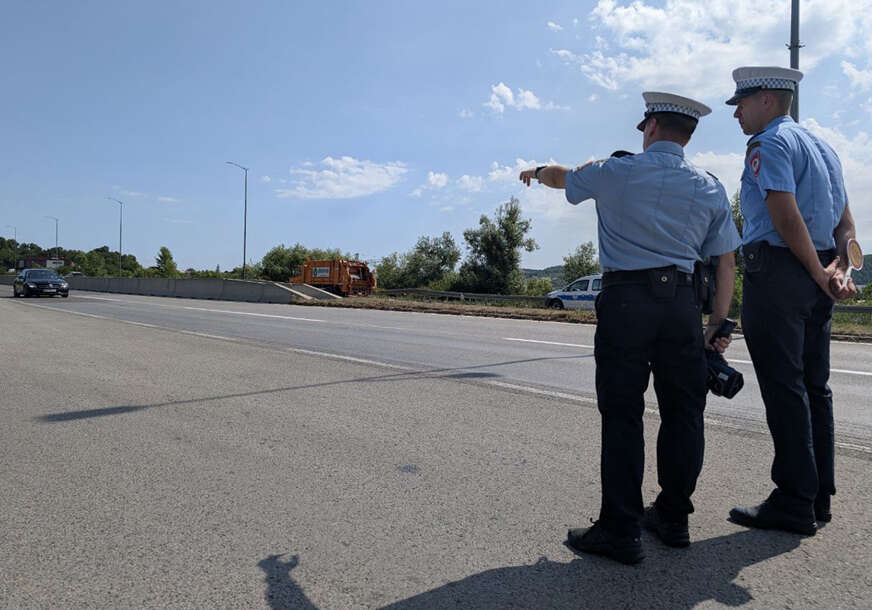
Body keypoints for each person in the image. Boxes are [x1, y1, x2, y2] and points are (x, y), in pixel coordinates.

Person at [520, 92, 742, 564]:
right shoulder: (710, 187)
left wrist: (538, 172)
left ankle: (620, 530)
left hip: (626, 303)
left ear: (652, 128)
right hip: (683, 305)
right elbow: (726, 263)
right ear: (687, 134)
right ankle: (673, 518)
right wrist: (719, 323)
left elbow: (563, 178)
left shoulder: (616, 172)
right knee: (684, 413)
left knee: (623, 414)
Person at [724, 67, 857, 536]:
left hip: (781, 273)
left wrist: (818, 270)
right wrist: (838, 267)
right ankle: (819, 496)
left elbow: (784, 215)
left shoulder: (769, 144)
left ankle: (794, 501)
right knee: (815, 387)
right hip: (816, 276)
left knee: (786, 389)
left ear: (767, 99)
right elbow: (846, 224)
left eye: (741, 103)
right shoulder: (825, 148)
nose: (736, 112)